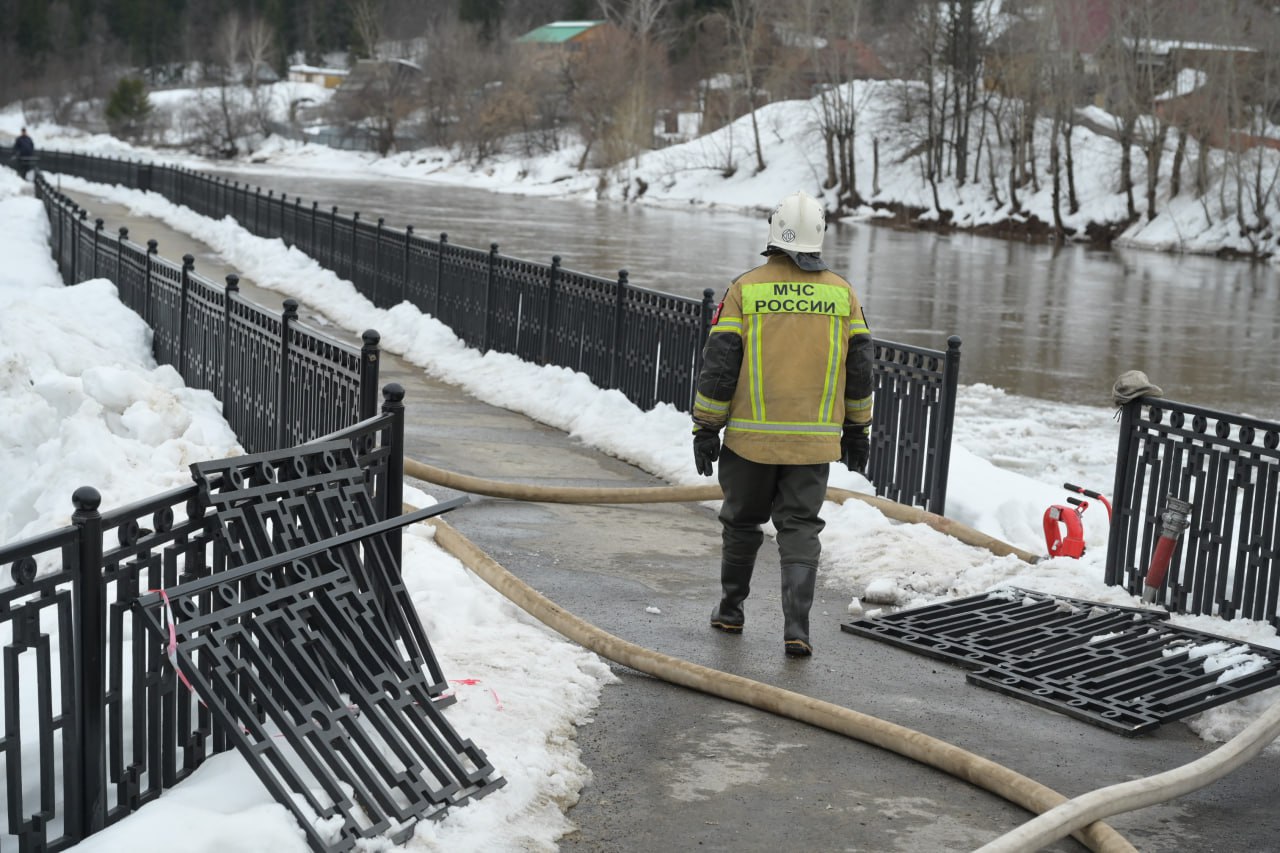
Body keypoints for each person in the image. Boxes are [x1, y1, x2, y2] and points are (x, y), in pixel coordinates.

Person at [691, 189, 873, 657]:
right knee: (800, 529)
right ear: (819, 238)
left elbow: (720, 363)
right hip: (813, 446)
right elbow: (860, 368)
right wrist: (858, 428)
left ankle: (731, 611)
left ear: (772, 235)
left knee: (742, 522)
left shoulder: (745, 289)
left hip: (750, 442)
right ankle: (797, 629)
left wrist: (706, 427)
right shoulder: (842, 293)